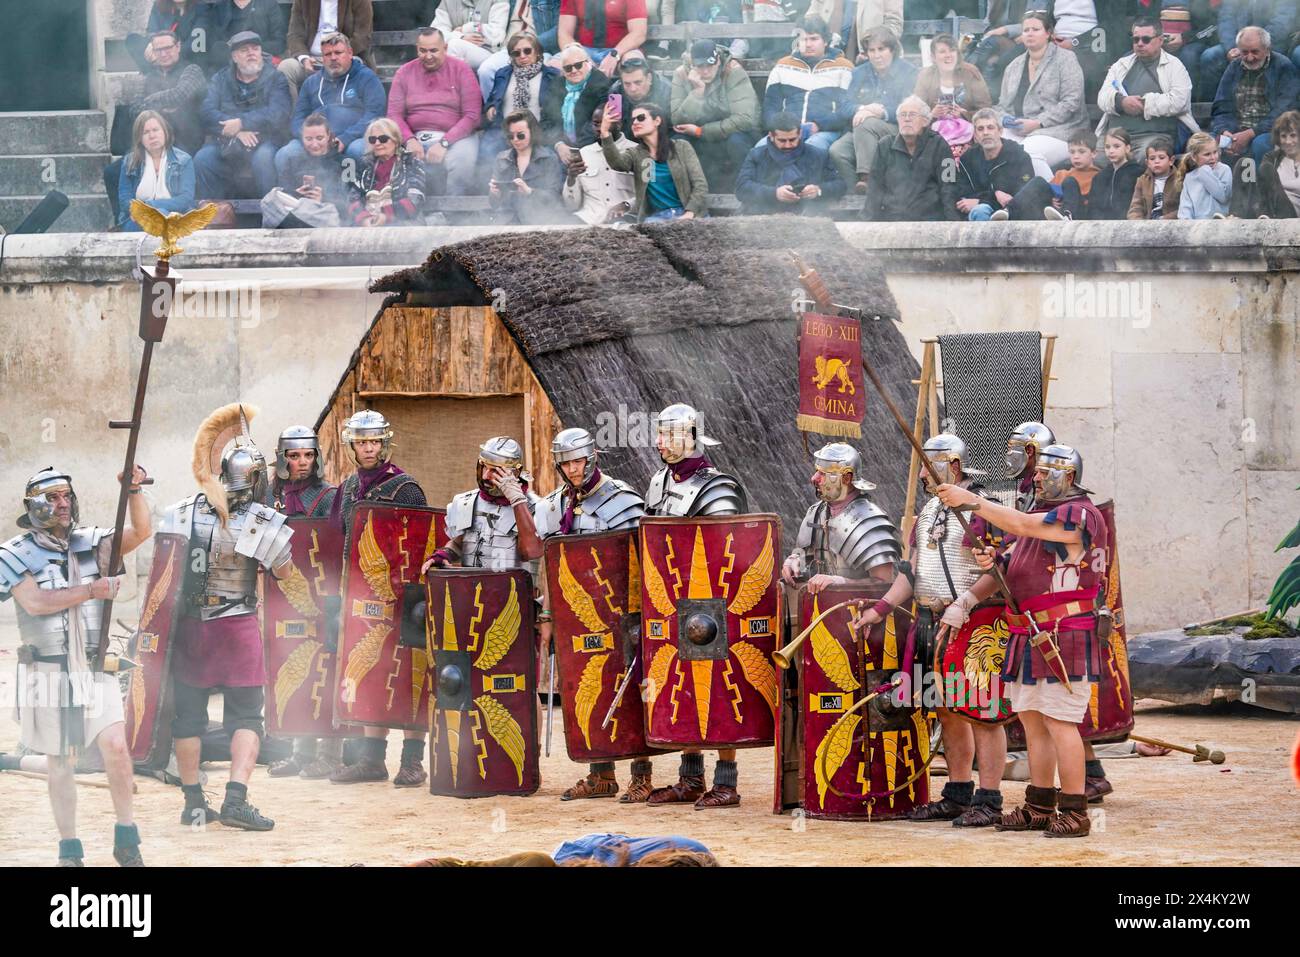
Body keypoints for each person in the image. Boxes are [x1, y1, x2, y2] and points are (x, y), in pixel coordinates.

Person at [936, 443, 1108, 837]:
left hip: (1063, 632)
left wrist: (970, 501)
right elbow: (1013, 559)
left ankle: (1076, 809)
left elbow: (1024, 526)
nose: (1039, 478)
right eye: (1039, 473)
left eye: (1049, 473)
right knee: (1032, 721)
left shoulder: (1079, 515)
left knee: (1061, 722)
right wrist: (993, 565)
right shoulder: (1037, 516)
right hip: (1028, 630)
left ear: (1070, 477)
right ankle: (1040, 805)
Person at [0, 466, 151, 866]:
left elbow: (141, 532)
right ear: (33, 505)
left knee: (116, 747)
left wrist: (133, 490)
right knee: (61, 761)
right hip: (47, 672)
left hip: (94, 667)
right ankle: (69, 847)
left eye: (66, 496)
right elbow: (35, 603)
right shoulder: (14, 554)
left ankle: (126, 836)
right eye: (52, 498)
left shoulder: (91, 543)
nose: (62, 504)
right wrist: (90, 590)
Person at [159, 404, 293, 832]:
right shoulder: (261, 520)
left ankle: (194, 803)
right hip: (235, 627)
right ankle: (235, 801)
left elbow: (164, 575)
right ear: (256, 479)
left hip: (190, 629)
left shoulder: (181, 512)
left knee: (189, 718)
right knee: (246, 717)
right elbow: (285, 572)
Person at [533, 428, 649, 801]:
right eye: (566, 463)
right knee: (588, 688)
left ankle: (642, 775)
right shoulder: (554, 507)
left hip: (622, 614)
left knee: (630, 692)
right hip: (579, 618)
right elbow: (551, 565)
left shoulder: (623, 500)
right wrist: (547, 615)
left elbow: (640, 561)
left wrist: (638, 619)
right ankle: (601, 776)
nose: (573, 469)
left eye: (578, 460)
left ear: (593, 457)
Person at [900, 435, 1009, 828]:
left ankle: (991, 798)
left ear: (955, 465)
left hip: (975, 623)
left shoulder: (981, 506)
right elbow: (912, 570)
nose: (926, 473)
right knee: (946, 710)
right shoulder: (929, 508)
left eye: (933, 464)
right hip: (932, 621)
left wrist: (965, 603)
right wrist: (880, 609)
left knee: (982, 712)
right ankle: (958, 794)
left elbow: (999, 569)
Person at [642, 403, 747, 810]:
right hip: (671, 607)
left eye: (668, 434)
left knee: (718, 692)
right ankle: (689, 780)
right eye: (659, 434)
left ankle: (727, 784)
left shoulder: (717, 486)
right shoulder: (657, 483)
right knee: (682, 690)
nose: (659, 442)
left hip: (711, 607)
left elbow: (729, 551)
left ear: (691, 434)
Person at [328, 410, 431, 786]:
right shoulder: (349, 488)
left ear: (384, 443)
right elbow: (342, 543)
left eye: (374, 441)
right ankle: (372, 761)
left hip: (404, 595)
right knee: (369, 671)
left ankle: (412, 761)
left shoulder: (405, 487)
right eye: (361, 442)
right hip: (361, 594)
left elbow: (420, 541)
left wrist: (411, 595)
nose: (368, 448)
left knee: (409, 676)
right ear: (352, 445)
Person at [264, 427, 344, 779]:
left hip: (326, 594)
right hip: (288, 596)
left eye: (308, 456)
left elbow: (339, 543)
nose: (302, 463)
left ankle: (330, 752)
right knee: (295, 668)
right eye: (294, 456)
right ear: (283, 459)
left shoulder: (329, 496)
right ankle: (300, 751)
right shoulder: (272, 497)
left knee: (326, 672)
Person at [780, 442, 908, 605]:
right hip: (818, 613)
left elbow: (883, 584)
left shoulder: (870, 521)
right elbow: (805, 556)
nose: (814, 478)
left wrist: (841, 583)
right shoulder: (815, 513)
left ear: (846, 478)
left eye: (823, 473)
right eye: (816, 471)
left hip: (857, 618)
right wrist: (794, 560)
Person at [195, 31, 293, 201]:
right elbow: (206, 113)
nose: (251, 53)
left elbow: (278, 113)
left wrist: (241, 123)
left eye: (255, 48)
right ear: (234, 57)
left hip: (266, 140)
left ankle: (271, 216)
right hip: (227, 141)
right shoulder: (220, 79)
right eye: (244, 50)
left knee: (264, 158)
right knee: (203, 159)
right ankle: (212, 218)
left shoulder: (276, 77)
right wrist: (236, 132)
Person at [994, 10, 1090, 181]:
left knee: (1026, 153)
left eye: (1035, 29)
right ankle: (1002, 200)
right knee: (992, 143)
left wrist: (1038, 123)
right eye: (1026, 30)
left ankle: (1051, 197)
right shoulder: (1013, 66)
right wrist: (1006, 120)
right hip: (1020, 129)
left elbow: (1071, 102)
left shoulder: (1066, 59)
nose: (1029, 33)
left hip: (1061, 130)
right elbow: (1002, 106)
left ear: (1048, 33)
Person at [277, 32, 386, 180]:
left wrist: (346, 138)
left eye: (338, 52)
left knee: (358, 150)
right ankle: (291, 200)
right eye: (328, 54)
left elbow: (374, 114)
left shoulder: (366, 78)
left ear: (350, 53)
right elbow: (298, 117)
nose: (333, 58)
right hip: (316, 139)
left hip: (353, 138)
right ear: (322, 57)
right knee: (286, 154)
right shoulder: (311, 82)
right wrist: (308, 138)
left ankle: (360, 199)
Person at [388, 28, 482, 197]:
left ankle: (453, 215)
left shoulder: (462, 69)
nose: (428, 56)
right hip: (414, 136)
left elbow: (472, 116)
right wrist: (409, 140)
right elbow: (394, 115)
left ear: (445, 48)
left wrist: (445, 143)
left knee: (462, 161)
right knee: (386, 155)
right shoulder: (404, 72)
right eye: (423, 51)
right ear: (417, 49)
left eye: (433, 50)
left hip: (456, 137)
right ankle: (408, 215)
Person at [1096, 16, 1198, 160]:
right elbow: (1102, 97)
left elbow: (1180, 101)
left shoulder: (1175, 65)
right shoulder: (1121, 64)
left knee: (1145, 158)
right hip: (1117, 137)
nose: (1140, 44)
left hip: (1155, 136)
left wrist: (1145, 104)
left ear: (1160, 40)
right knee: (1095, 159)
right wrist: (1121, 102)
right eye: (1135, 39)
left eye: (1146, 39)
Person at [829, 27, 918, 191]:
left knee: (866, 124)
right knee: (837, 150)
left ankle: (869, 180)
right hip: (862, 131)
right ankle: (856, 194)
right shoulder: (858, 73)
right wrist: (863, 108)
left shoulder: (909, 72)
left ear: (892, 50)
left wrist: (881, 111)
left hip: (896, 129)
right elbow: (843, 107)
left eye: (881, 49)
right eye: (872, 50)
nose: (877, 55)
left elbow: (912, 109)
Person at [669, 39, 759, 186]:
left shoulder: (733, 71)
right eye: (700, 66)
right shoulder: (681, 74)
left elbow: (744, 119)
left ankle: (745, 191)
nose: (705, 71)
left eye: (710, 65)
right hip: (701, 133)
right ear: (692, 64)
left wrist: (700, 131)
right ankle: (685, 196)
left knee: (737, 141)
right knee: (678, 142)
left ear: (717, 61)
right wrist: (697, 93)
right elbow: (677, 121)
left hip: (736, 132)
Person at [600, 101, 708, 222]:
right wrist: (605, 132)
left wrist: (689, 213)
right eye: (633, 120)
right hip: (657, 219)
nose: (635, 122)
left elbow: (700, 185)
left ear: (657, 121)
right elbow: (617, 163)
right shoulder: (636, 154)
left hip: (690, 215)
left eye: (641, 118)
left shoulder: (681, 147)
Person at [1210, 25, 1300, 166]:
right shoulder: (1234, 67)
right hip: (1236, 129)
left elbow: (1284, 112)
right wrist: (1225, 130)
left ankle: (1264, 187)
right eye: (1244, 52)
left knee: (1260, 144)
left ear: (1267, 49)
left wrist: (1251, 133)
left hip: (1270, 130)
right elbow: (1221, 106)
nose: (1250, 57)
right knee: (1206, 143)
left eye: (1255, 52)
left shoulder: (1283, 67)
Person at [862, 96, 962, 222]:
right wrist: (868, 222)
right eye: (903, 115)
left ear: (925, 121)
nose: (907, 119)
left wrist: (952, 222)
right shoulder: (885, 145)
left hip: (929, 220)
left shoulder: (939, 144)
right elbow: (875, 187)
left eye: (912, 115)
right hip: (893, 220)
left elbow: (949, 185)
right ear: (898, 120)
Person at [763, 18, 855, 154]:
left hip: (825, 132)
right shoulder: (782, 66)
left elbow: (847, 111)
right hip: (786, 133)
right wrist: (780, 129)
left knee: (812, 148)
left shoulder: (844, 67)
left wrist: (818, 125)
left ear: (825, 41)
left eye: (813, 39)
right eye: (803, 39)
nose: (808, 44)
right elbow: (770, 107)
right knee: (760, 148)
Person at [735, 111, 846, 215]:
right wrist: (774, 194)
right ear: (771, 136)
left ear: (800, 134)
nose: (788, 145)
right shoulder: (756, 155)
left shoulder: (819, 155)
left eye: (792, 140)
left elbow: (840, 185)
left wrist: (819, 190)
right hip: (764, 216)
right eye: (782, 141)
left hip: (808, 218)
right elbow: (741, 188)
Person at [482, 31, 561, 158]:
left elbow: (557, 113)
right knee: (486, 151)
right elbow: (492, 100)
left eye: (527, 51)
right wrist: (491, 107)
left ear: (537, 52)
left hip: (539, 133)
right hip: (504, 132)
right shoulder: (502, 74)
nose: (522, 56)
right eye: (516, 53)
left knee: (550, 159)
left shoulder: (553, 76)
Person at [1200, 1, 1297, 102]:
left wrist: (1254, 45)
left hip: (1271, 44)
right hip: (1236, 44)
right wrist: (1232, 47)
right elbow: (1226, 20)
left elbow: (1282, 24)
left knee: (1269, 58)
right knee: (1210, 56)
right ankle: (1213, 108)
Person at [263, 113, 349, 227]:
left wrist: (322, 200)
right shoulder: (293, 163)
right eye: (309, 139)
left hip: (331, 220)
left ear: (329, 136)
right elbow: (287, 199)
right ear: (302, 138)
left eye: (319, 138)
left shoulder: (346, 163)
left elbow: (350, 203)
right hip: (299, 218)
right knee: (271, 198)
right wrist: (297, 195)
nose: (314, 144)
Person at [116, 111, 198, 231]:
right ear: (139, 139)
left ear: (165, 131)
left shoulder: (183, 160)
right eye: (146, 132)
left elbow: (185, 199)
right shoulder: (129, 161)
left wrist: (151, 207)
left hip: (175, 217)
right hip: (137, 219)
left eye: (155, 130)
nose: (152, 136)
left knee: (162, 216)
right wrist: (139, 211)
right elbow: (124, 198)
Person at [995, 127, 1099, 220]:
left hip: (1078, 216)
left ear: (1093, 153)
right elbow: (1049, 194)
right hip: (1051, 214)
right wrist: (1050, 200)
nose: (1076, 156)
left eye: (1081, 152)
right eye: (1072, 152)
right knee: (1038, 181)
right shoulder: (1061, 174)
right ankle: (1009, 211)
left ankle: (1067, 216)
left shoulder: (1098, 177)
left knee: (1070, 182)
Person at [489, 110, 574, 223]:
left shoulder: (548, 158)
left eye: (520, 135)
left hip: (539, 220)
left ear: (532, 132)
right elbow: (494, 204)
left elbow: (554, 197)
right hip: (507, 221)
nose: (515, 140)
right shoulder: (501, 158)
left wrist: (530, 192)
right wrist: (494, 193)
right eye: (511, 136)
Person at [956, 107, 1036, 221]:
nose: (985, 133)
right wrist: (992, 196)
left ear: (1000, 131)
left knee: (980, 209)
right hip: (979, 211)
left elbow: (1021, 193)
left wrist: (982, 200)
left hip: (1012, 213)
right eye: (980, 129)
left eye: (990, 127)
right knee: (979, 210)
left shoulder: (1019, 156)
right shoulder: (967, 158)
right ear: (975, 135)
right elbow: (963, 192)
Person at [282, 0, 375, 94]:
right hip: (310, 60)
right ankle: (294, 109)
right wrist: (304, 58)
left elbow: (363, 36)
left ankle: (343, 107)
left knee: (353, 68)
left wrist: (338, 56)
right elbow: (294, 35)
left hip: (345, 57)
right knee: (286, 68)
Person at [563, 104, 636, 223]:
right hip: (587, 219)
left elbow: (649, 195)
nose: (600, 128)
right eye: (596, 124)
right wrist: (571, 178)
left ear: (619, 124)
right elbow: (571, 206)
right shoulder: (584, 153)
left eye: (605, 123)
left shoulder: (636, 151)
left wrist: (628, 205)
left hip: (623, 219)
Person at [347, 117, 427, 225]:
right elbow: (353, 201)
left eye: (383, 139)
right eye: (372, 139)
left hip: (404, 224)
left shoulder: (411, 162)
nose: (377, 143)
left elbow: (415, 200)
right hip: (369, 225)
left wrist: (385, 216)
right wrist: (364, 218)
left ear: (395, 140)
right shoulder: (366, 167)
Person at [547, 44, 613, 162]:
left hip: (593, 148)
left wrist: (578, 151)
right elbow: (546, 120)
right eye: (568, 68)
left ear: (587, 63)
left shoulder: (600, 83)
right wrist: (559, 145)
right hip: (561, 150)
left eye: (578, 65)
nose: (573, 70)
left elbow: (598, 123)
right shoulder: (556, 85)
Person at [1228, 107, 1300, 216]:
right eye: (1283, 136)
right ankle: (1236, 215)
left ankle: (1267, 215)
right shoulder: (1272, 158)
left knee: (1266, 169)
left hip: (1292, 214)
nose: (1288, 141)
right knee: (1245, 164)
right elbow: (1263, 188)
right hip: (1270, 208)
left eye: (1293, 135)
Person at [914, 34, 994, 124]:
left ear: (957, 54)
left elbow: (986, 111)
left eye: (952, 51)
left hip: (968, 132)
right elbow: (916, 111)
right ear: (933, 57)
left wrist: (964, 115)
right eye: (942, 51)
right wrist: (931, 115)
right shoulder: (925, 76)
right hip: (933, 133)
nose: (948, 55)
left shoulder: (970, 73)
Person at [557, 0, 649, 77]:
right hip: (584, 50)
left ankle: (633, 98)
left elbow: (638, 33)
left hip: (621, 50)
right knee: (553, 65)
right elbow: (564, 33)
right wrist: (579, 55)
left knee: (634, 64)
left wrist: (615, 55)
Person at [434, 0, 511, 85]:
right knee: (449, 46)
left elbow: (497, 36)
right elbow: (435, 33)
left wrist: (466, 28)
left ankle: (450, 92)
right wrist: (460, 36)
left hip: (491, 52)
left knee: (454, 46)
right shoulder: (448, 2)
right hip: (460, 47)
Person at [201, 0, 288, 74]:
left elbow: (280, 43)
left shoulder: (269, 4)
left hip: (261, 62)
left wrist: (251, 50)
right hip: (227, 63)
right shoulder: (220, 7)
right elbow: (214, 44)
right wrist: (235, 53)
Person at [1159, 2, 1219, 101]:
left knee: (1189, 55)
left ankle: (1190, 102)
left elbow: (1212, 27)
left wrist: (1184, 38)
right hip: (1158, 39)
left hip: (1193, 40)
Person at [610, 52, 672, 141]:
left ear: (649, 78)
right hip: (628, 143)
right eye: (627, 84)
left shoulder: (666, 91)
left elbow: (672, 128)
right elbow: (614, 127)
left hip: (660, 141)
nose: (633, 89)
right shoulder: (615, 92)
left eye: (638, 82)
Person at [1087, 127, 1145, 220]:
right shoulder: (1100, 177)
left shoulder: (1137, 173)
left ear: (1127, 148)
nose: (1111, 151)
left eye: (1117, 146)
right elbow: (1093, 207)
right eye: (1107, 147)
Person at [1178, 130, 1233, 217]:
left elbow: (1223, 197)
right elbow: (1185, 208)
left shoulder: (1224, 170)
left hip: (1221, 222)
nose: (1213, 157)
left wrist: (1204, 172)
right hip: (1198, 225)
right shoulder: (1189, 177)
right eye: (1207, 154)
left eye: (1215, 152)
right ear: (1194, 157)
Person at [1127, 136, 1184, 218]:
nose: (1156, 161)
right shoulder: (1142, 181)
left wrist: (1165, 219)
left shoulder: (1180, 179)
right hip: (1148, 226)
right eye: (1152, 158)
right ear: (1147, 163)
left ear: (1171, 160)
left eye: (1161, 158)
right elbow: (1135, 208)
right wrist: (1139, 224)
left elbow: (1184, 208)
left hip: (1172, 225)